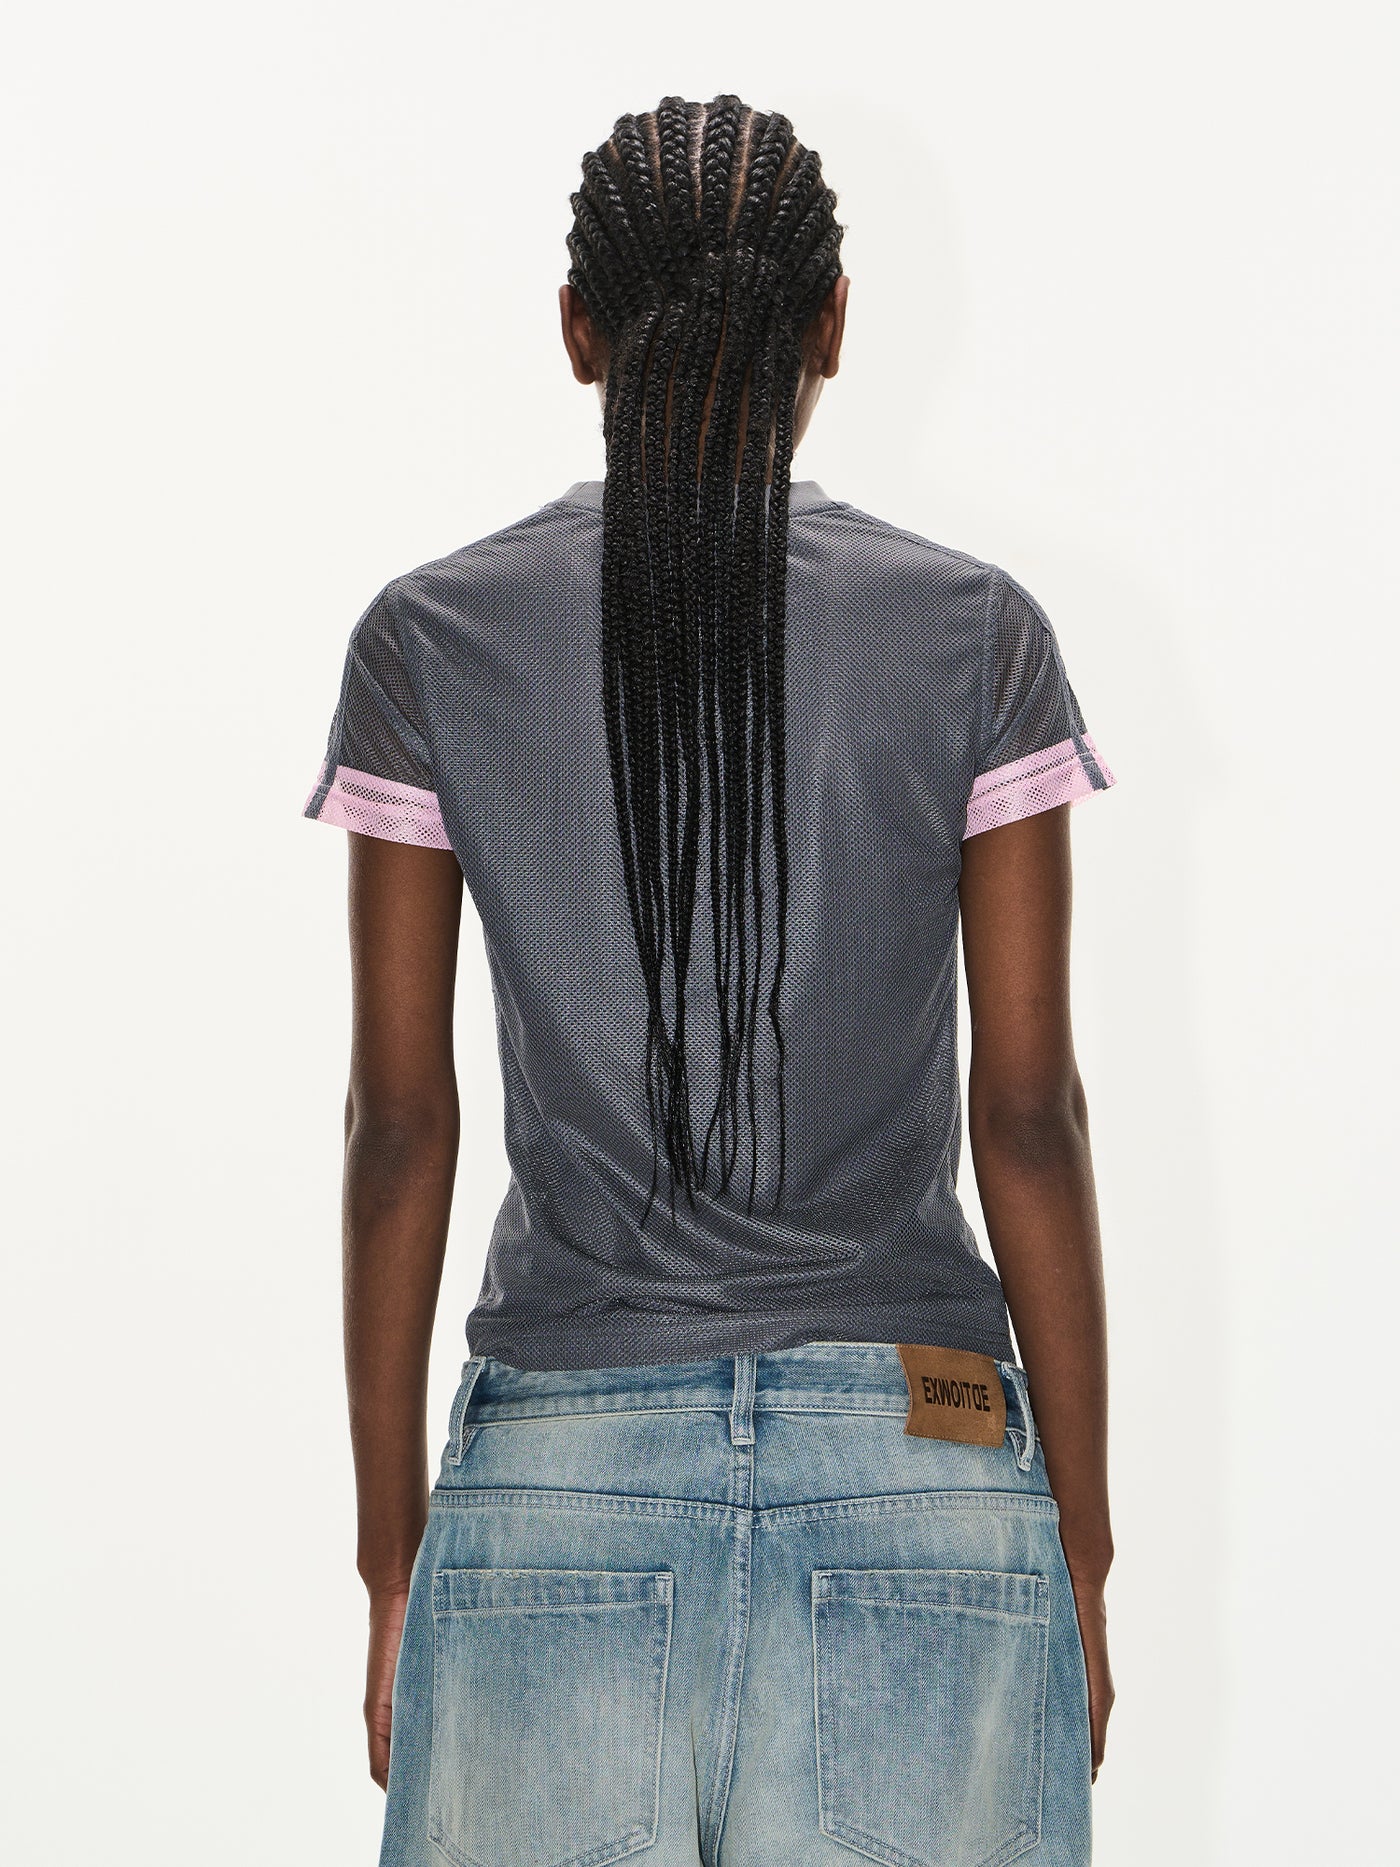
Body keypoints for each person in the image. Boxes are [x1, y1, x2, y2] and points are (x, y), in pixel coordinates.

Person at [303, 92, 1116, 1867]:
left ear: (576, 332)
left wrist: (394, 1558)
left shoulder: (432, 642)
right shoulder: (974, 635)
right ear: (834, 325)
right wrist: (1078, 1550)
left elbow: (399, 1124)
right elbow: (1030, 1118)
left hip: (554, 1495)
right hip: (924, 1469)